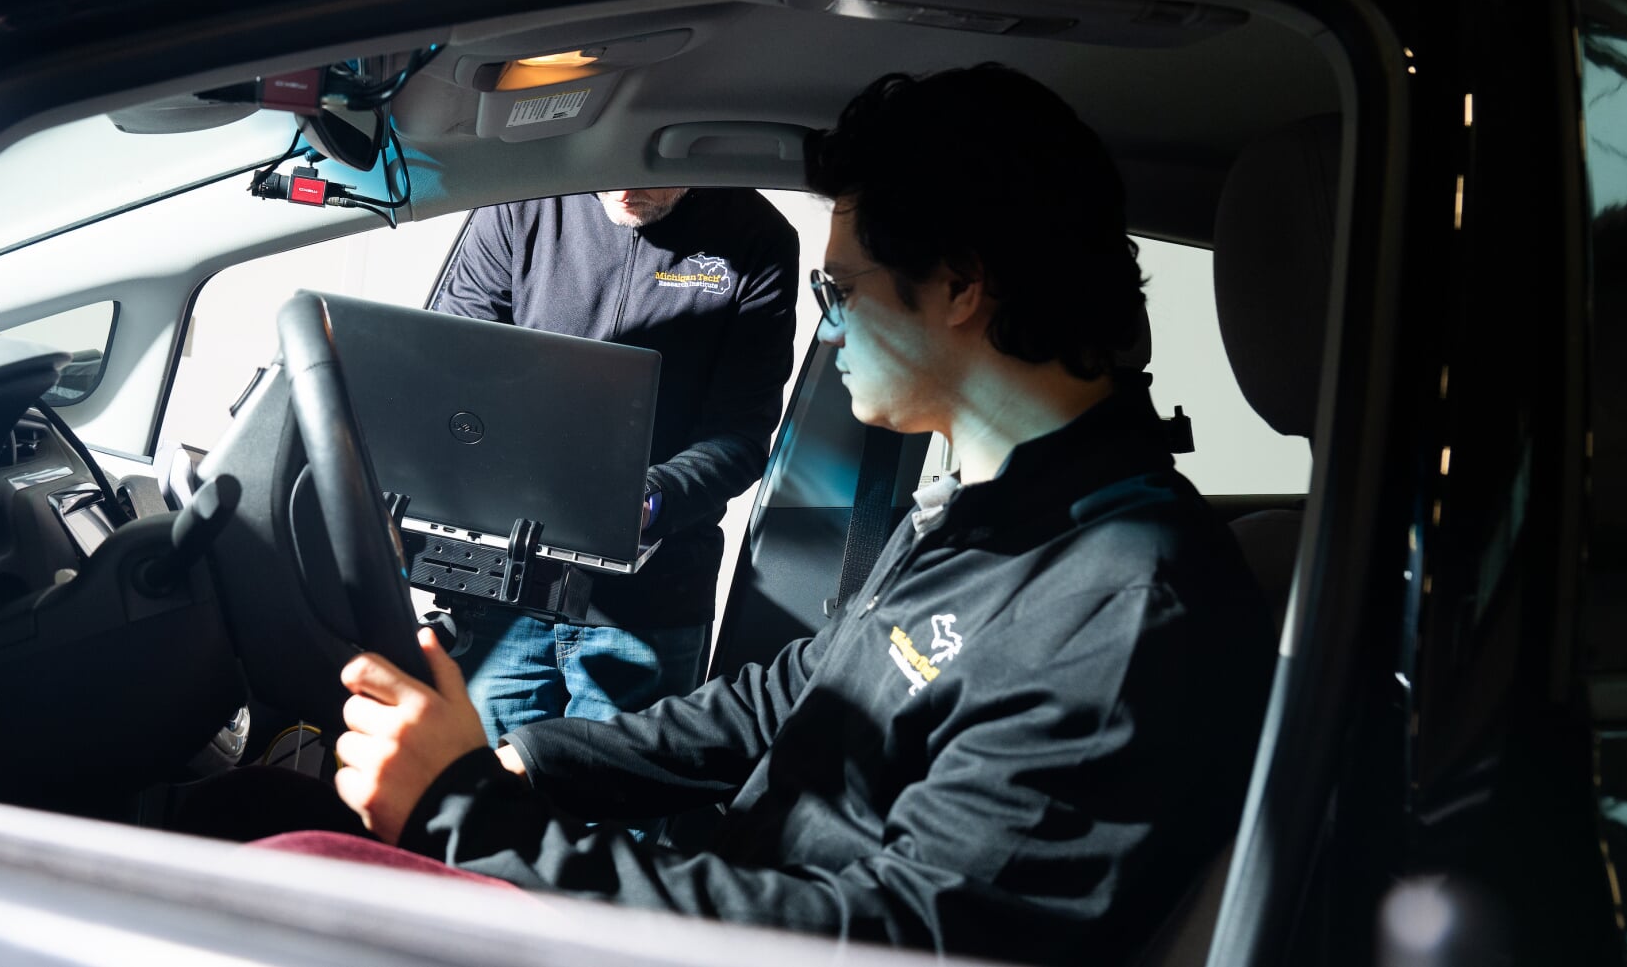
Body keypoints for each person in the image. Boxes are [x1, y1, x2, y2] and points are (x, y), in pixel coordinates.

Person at [306, 64, 1276, 963]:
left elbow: (906, 936)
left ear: (960, 286)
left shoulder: (1117, 606)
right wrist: (524, 764)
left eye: (842, 288)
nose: (831, 321)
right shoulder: (991, 516)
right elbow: (788, 696)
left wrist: (466, 812)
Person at [426, 186, 798, 746]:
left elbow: (741, 434)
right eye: (613, 166)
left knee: (618, 820)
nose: (624, 188)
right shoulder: (518, 203)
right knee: (478, 807)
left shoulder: (758, 240)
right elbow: (446, 372)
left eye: (650, 168)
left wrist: (649, 496)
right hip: (502, 591)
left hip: (649, 608)